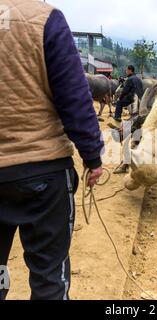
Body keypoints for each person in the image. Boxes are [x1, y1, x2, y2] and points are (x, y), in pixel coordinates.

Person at [0, 0, 104, 300]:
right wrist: (93, 156)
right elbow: (74, 96)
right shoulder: (44, 18)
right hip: (42, 173)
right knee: (49, 279)